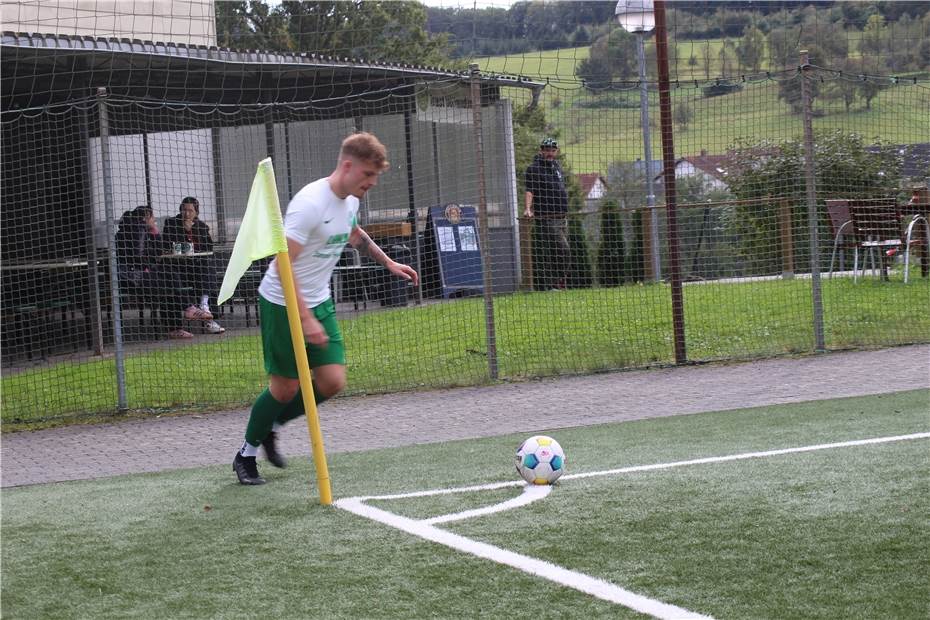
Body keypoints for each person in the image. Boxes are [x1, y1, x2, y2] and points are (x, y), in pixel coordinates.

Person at [233, 132, 419, 485]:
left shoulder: (351, 200)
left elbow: (353, 234)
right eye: (367, 175)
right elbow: (282, 265)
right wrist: (304, 319)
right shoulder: (309, 204)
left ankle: (272, 423)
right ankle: (246, 453)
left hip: (318, 300)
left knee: (332, 381)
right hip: (281, 301)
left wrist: (389, 263)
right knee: (284, 388)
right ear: (347, 166)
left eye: (375, 177)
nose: (372, 183)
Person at [114, 205, 214, 339]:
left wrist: (155, 233)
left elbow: (158, 251)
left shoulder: (141, 230)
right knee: (169, 285)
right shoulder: (138, 230)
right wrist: (149, 264)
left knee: (170, 278)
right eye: (152, 218)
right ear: (145, 218)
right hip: (133, 277)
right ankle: (186, 312)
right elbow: (138, 256)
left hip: (140, 274)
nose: (154, 220)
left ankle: (183, 318)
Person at [162, 196, 225, 334]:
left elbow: (209, 247)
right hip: (178, 267)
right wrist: (184, 231)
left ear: (196, 212)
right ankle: (202, 310)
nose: (187, 213)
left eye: (190, 210)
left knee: (208, 267)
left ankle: (205, 306)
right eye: (184, 210)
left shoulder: (201, 226)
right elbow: (166, 243)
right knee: (200, 275)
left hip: (196, 267)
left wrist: (193, 231)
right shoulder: (171, 223)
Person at [524, 137, 570, 290]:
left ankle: (559, 284)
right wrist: (528, 209)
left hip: (562, 216)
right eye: (547, 150)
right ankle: (553, 284)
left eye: (552, 150)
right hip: (547, 216)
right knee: (561, 249)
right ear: (541, 151)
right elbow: (530, 190)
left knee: (559, 251)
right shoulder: (534, 169)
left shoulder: (556, 166)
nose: (550, 153)